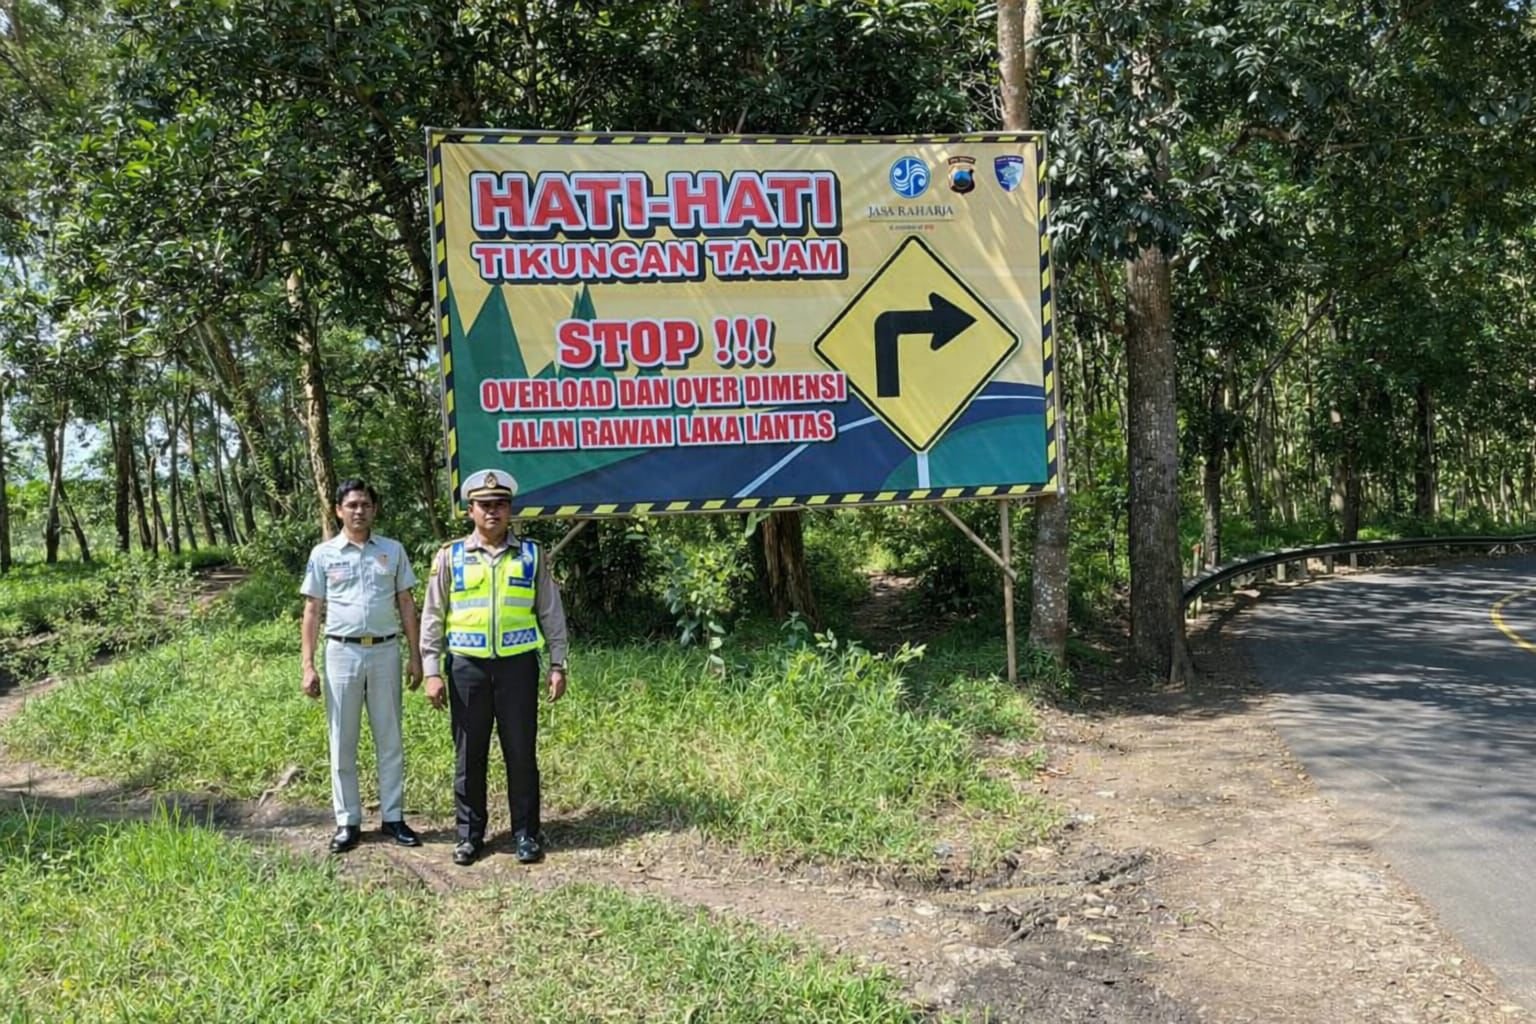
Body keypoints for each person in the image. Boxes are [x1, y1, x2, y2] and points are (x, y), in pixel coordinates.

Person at [419, 468, 569, 866]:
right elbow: (433, 615)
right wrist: (431, 670)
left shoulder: (531, 555)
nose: (492, 511)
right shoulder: (450, 556)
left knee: (521, 752)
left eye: (500, 504)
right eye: (484, 505)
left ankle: (526, 834)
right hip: (466, 668)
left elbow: (551, 613)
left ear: (510, 509)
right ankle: (469, 836)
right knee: (469, 755)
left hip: (518, 668)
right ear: (470, 509)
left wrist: (558, 663)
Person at [300, 479, 424, 853]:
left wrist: (415, 655)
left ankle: (393, 817)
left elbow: (406, 602)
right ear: (338, 510)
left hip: (385, 651)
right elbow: (312, 609)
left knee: (390, 737)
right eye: (352, 505)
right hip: (341, 653)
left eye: (365, 504)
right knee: (342, 739)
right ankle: (347, 821)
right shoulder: (324, 554)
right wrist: (308, 665)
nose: (359, 510)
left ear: (374, 509)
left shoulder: (392, 550)